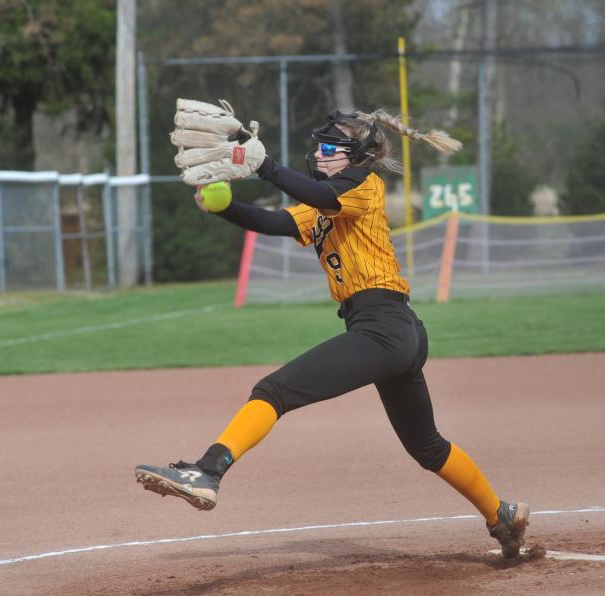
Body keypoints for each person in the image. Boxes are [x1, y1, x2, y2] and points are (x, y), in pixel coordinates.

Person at [135, 109, 529, 559]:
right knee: (427, 446)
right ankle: (502, 515)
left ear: (355, 156)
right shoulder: (328, 200)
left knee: (273, 390)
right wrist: (227, 209)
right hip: (393, 331)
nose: (318, 155)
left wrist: (266, 168)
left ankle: (207, 471)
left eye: (329, 149)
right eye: (318, 147)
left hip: (384, 327)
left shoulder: (363, 183)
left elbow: (320, 195)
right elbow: (282, 223)